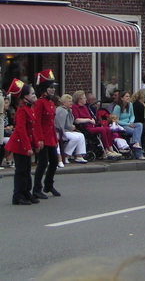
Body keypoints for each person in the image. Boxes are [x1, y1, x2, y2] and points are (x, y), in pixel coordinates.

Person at [5, 80, 42, 205]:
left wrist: (35, 144)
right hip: (19, 144)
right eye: (32, 94)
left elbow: (32, 129)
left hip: (26, 143)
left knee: (27, 170)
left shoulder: (30, 109)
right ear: (25, 96)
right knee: (21, 171)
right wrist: (27, 147)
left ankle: (26, 192)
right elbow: (21, 129)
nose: (34, 96)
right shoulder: (22, 110)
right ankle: (18, 195)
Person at [32, 70, 61, 199]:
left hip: (51, 136)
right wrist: (39, 139)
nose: (53, 90)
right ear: (45, 89)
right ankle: (36, 188)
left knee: (54, 162)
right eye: (51, 87)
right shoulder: (40, 102)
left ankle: (48, 185)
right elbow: (36, 122)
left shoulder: (50, 102)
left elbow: (51, 122)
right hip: (43, 136)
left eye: (54, 87)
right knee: (43, 163)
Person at [71, 90, 120, 159]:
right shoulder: (75, 107)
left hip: (91, 125)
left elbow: (90, 117)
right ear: (79, 99)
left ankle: (111, 148)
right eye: (84, 98)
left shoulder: (85, 107)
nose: (86, 99)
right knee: (102, 130)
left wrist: (92, 120)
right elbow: (76, 120)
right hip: (85, 127)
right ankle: (106, 150)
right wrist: (88, 120)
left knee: (107, 129)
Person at [55, 94, 88, 164]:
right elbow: (60, 125)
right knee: (75, 137)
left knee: (81, 135)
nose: (71, 103)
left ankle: (79, 156)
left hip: (66, 130)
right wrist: (70, 128)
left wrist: (71, 127)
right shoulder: (62, 111)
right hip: (60, 132)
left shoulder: (69, 110)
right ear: (63, 103)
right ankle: (66, 155)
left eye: (71, 101)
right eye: (69, 101)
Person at [113, 91, 145, 159]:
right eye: (126, 96)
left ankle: (135, 144)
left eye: (129, 96)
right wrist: (128, 124)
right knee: (136, 132)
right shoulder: (118, 107)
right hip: (121, 125)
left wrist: (131, 122)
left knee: (139, 125)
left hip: (129, 123)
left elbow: (132, 116)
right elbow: (116, 120)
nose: (128, 98)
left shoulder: (130, 104)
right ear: (122, 98)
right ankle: (139, 154)